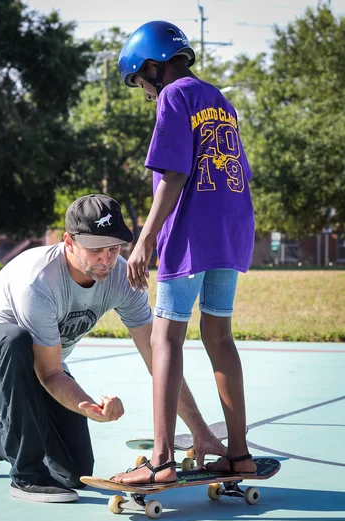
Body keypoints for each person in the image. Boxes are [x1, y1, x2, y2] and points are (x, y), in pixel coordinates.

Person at [0, 193, 226, 503]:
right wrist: (90, 406)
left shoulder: (120, 277)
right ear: (68, 242)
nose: (107, 260)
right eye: (96, 250)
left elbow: (158, 359)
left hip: (42, 363)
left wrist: (199, 430)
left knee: (74, 471)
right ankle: (26, 476)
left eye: (113, 248)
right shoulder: (38, 280)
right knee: (15, 342)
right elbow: (50, 372)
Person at [114, 21, 256, 485]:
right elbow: (240, 173)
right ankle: (239, 454)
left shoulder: (174, 97)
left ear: (153, 66)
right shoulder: (220, 101)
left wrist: (144, 239)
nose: (146, 94)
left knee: (165, 338)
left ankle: (160, 461)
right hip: (231, 232)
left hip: (191, 235)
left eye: (140, 83)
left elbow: (173, 176)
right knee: (220, 338)